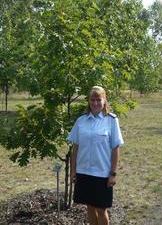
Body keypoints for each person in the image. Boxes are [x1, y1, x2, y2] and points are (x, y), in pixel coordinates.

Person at [67, 86, 124, 225]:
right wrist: (73, 170)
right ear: (89, 101)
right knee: (89, 208)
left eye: (99, 99)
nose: (95, 103)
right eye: (92, 99)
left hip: (102, 174)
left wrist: (113, 173)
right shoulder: (81, 121)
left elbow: (115, 148)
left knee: (101, 210)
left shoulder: (111, 120)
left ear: (104, 101)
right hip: (84, 172)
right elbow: (76, 147)